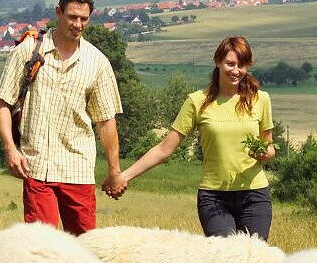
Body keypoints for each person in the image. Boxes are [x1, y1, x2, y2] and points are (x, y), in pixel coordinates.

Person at [102, 36, 276, 239]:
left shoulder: (260, 99)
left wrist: (264, 153)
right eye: (230, 64)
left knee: (253, 261)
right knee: (223, 259)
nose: (236, 70)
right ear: (218, 62)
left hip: (255, 195)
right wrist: (123, 176)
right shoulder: (197, 101)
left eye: (242, 65)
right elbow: (164, 149)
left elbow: (270, 147)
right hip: (214, 197)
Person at [0, 0, 122, 235]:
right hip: (37, 166)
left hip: (79, 169)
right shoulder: (28, 51)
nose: (78, 24)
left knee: (86, 248)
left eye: (84, 19)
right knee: (42, 247)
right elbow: (3, 103)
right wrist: (10, 148)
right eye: (72, 17)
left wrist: (114, 171)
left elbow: (106, 121)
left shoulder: (98, 62)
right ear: (58, 12)